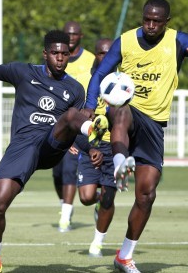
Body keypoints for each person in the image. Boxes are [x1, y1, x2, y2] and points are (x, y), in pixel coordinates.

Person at [0, 30, 109, 273]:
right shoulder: (23, 72)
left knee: (73, 116)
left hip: (51, 146)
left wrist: (92, 148)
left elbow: (73, 127)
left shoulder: (74, 89)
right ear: (45, 54)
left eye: (65, 54)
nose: (61, 58)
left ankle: (93, 128)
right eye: (55, 53)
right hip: (23, 147)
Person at [82, 0, 188, 272]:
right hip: (128, 110)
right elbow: (100, 74)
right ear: (142, 17)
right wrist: (88, 105)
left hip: (155, 124)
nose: (151, 25)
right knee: (121, 112)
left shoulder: (178, 41)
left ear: (167, 21)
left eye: (157, 21)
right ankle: (120, 164)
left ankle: (125, 256)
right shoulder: (126, 41)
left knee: (146, 195)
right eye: (146, 20)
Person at [53, 21, 96, 232]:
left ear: (81, 35)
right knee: (57, 173)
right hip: (59, 122)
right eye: (67, 33)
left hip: (80, 123)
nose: (70, 37)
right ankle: (65, 206)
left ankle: (65, 217)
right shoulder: (57, 58)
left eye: (74, 33)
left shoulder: (90, 60)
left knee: (70, 166)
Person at [75, 38, 115, 258]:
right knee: (86, 197)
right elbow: (74, 115)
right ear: (96, 56)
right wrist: (76, 141)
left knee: (110, 195)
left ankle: (97, 243)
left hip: (116, 145)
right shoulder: (84, 82)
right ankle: (99, 202)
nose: (106, 58)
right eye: (101, 53)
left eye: (110, 54)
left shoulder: (123, 81)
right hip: (92, 143)